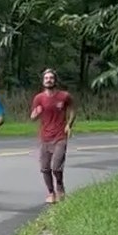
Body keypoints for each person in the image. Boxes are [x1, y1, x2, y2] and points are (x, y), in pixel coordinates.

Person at [30, 68, 76, 203]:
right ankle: (51, 193)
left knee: (56, 167)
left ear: (55, 80)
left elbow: (73, 109)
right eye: (46, 78)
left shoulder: (64, 96)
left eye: (51, 78)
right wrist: (37, 113)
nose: (48, 80)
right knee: (45, 168)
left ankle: (60, 187)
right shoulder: (39, 98)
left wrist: (69, 124)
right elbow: (32, 117)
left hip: (60, 136)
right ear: (43, 81)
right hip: (45, 137)